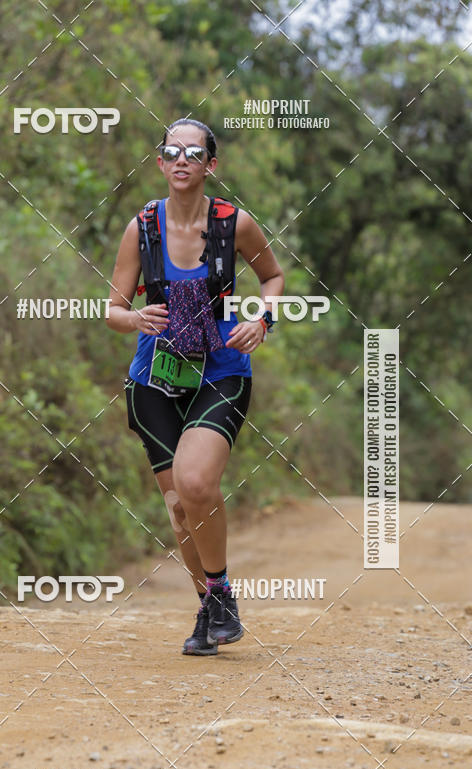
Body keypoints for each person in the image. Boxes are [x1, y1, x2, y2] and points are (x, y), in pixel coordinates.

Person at [107, 118, 284, 655]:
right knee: (180, 509)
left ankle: (219, 591)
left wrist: (263, 319)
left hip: (222, 371)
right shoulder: (143, 227)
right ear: (161, 164)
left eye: (193, 152)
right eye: (171, 151)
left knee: (197, 484)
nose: (181, 160)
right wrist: (134, 319)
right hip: (154, 380)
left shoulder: (235, 224)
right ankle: (213, 607)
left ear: (210, 165)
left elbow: (273, 278)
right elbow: (112, 309)